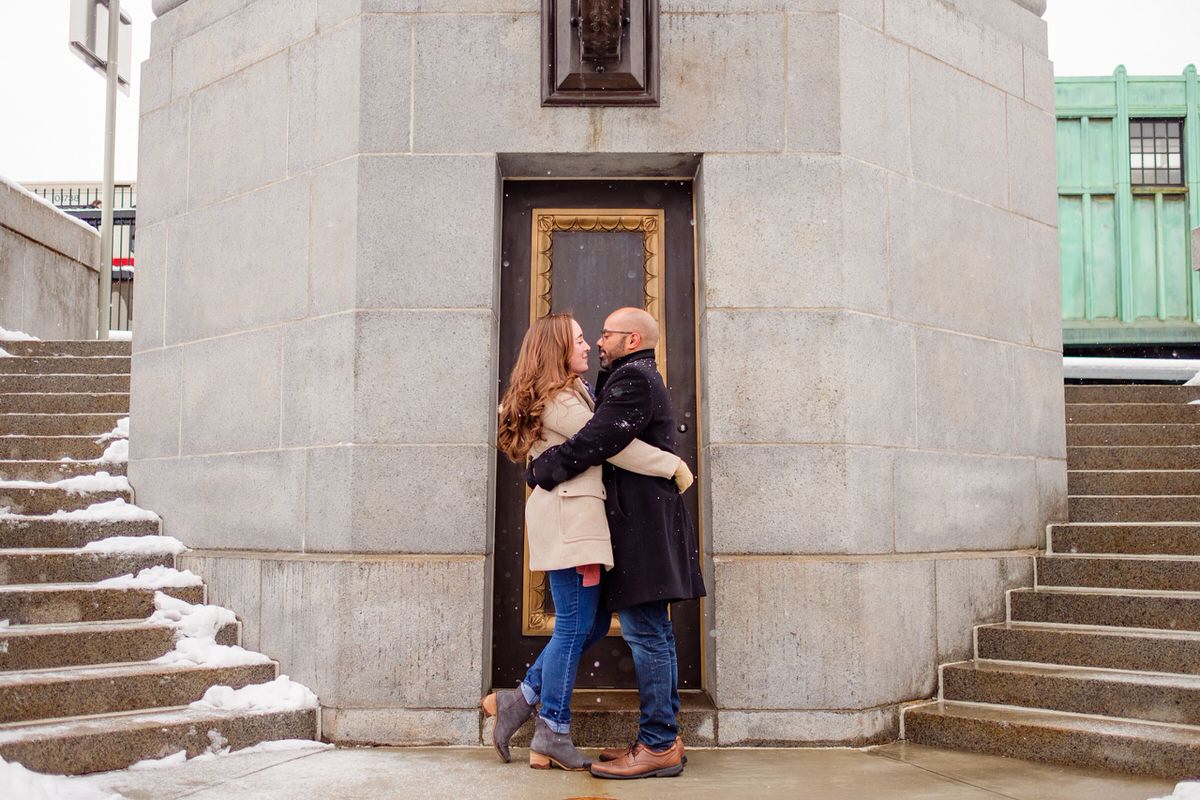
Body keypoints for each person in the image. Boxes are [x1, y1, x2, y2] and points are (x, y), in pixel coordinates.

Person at [481, 313, 693, 772]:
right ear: (557, 350)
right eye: (579, 339)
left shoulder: (574, 392)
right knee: (577, 629)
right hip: (573, 524)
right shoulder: (561, 399)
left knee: (588, 627)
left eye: (594, 336)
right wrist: (671, 464)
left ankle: (520, 702)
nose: (589, 343)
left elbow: (599, 438)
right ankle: (551, 728)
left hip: (577, 523)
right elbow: (609, 442)